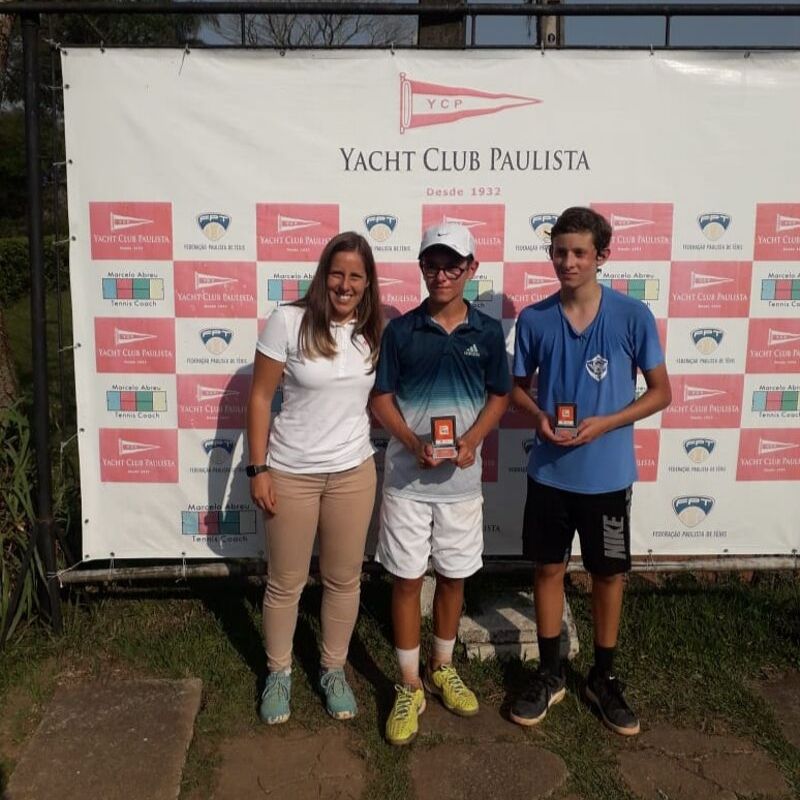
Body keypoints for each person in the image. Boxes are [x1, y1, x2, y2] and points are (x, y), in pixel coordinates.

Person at [508, 206, 671, 736]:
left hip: (607, 478)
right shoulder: (534, 319)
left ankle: (603, 676)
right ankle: (550, 673)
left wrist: (608, 423)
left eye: (579, 252)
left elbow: (662, 393)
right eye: (560, 252)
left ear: (602, 255)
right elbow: (515, 389)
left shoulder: (632, 316)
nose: (568, 262)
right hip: (549, 475)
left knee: (607, 574)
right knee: (547, 570)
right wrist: (538, 417)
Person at [371, 222, 511, 746]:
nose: (442, 274)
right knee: (407, 580)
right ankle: (410, 684)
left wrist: (472, 439)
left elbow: (500, 395)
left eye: (453, 264)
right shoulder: (401, 332)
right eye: (432, 264)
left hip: (462, 485)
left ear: (471, 268)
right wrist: (412, 442)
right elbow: (381, 399)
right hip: (407, 483)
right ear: (421, 267)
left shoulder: (487, 332)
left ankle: (442, 667)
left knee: (453, 577)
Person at [247, 231, 382, 724]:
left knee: (344, 580)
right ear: (324, 275)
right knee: (286, 582)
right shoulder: (288, 320)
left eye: (356, 276)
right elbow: (260, 397)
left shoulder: (373, 331)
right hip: (291, 473)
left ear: (368, 283)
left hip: (353, 473)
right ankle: (278, 673)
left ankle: (332, 669)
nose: (345, 285)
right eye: (337, 273)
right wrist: (258, 468)